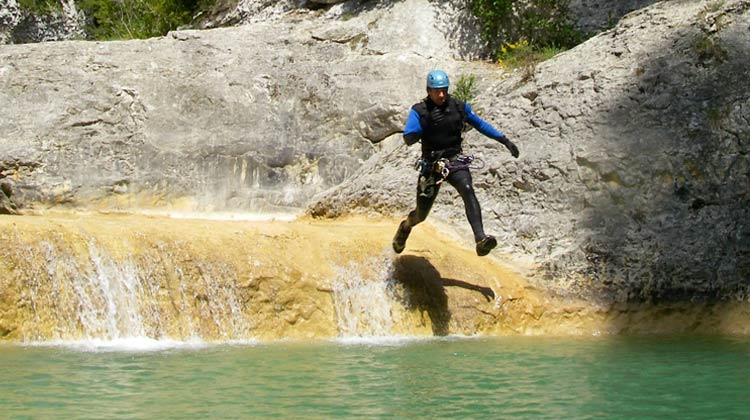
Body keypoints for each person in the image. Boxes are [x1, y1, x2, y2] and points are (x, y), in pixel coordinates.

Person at [392, 69, 519, 256]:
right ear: (429, 91)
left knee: (467, 188)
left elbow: (480, 124)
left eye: (444, 90)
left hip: (454, 159)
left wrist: (504, 140)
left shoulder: (458, 107)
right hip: (431, 165)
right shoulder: (419, 111)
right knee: (421, 214)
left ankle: (480, 238)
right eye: (437, 91)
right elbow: (408, 138)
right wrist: (425, 125)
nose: (441, 94)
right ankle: (405, 227)